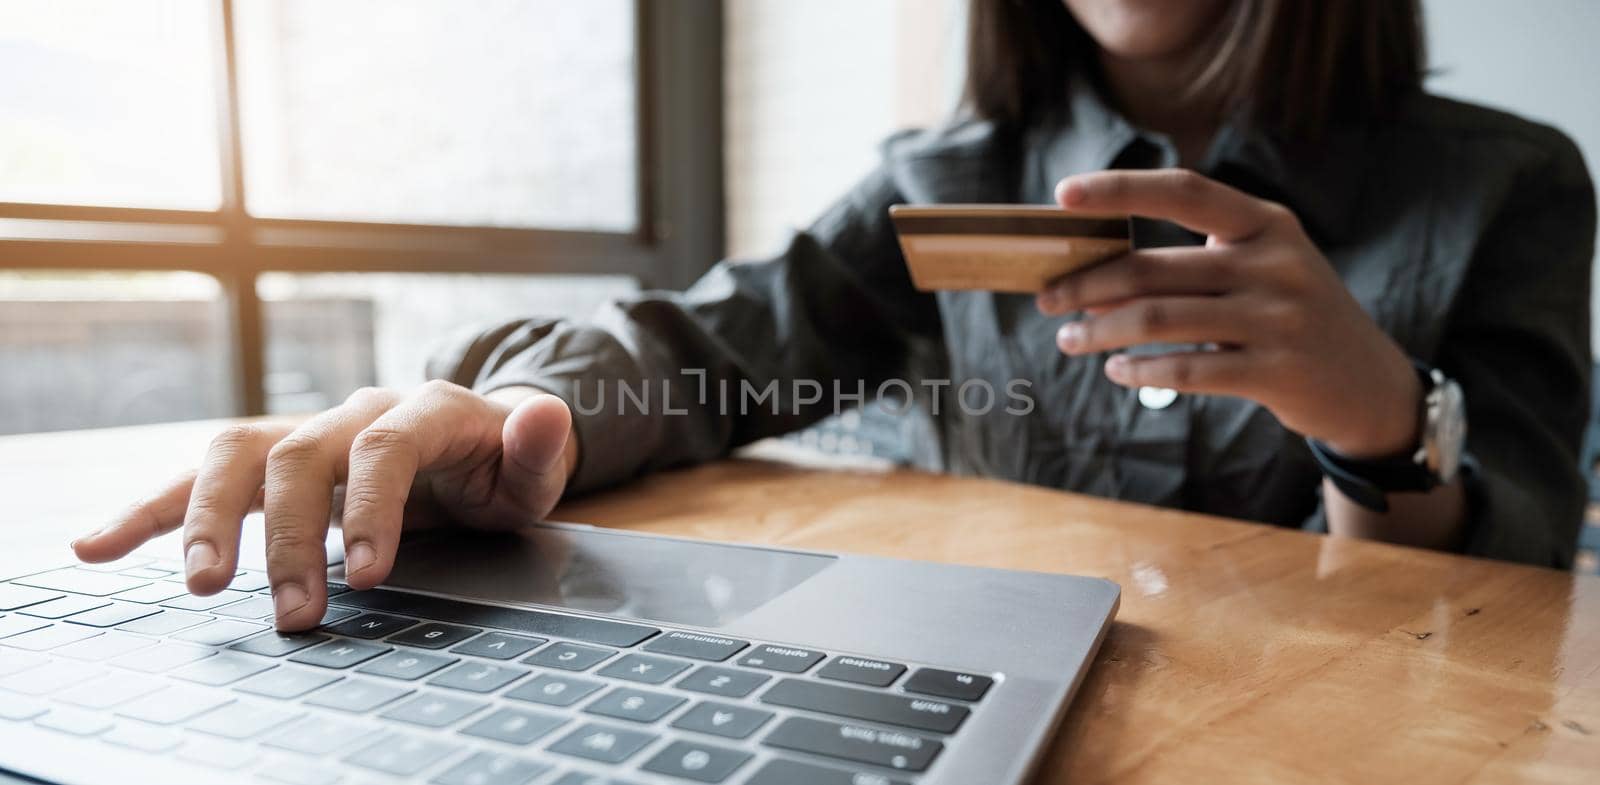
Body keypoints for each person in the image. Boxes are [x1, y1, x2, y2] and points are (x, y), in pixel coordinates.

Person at [74, 0, 1595, 630]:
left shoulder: (1509, 183)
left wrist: (1388, 419)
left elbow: (1508, 605)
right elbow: (713, 349)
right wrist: (497, 410)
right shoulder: (934, 178)